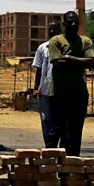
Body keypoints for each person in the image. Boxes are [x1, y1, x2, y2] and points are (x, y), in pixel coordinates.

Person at [47, 10, 94, 156]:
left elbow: (91, 62)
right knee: (56, 129)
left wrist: (68, 57)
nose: (73, 24)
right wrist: (80, 60)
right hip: (59, 93)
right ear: (64, 24)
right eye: (70, 22)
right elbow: (57, 62)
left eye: (76, 21)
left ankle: (72, 160)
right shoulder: (56, 40)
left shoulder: (85, 41)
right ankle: (50, 159)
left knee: (75, 130)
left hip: (79, 94)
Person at [32, 18, 62, 147]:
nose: (52, 31)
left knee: (59, 121)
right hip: (45, 91)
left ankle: (56, 147)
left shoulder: (64, 47)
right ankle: (49, 147)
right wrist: (35, 88)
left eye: (55, 29)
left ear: (59, 30)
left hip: (61, 91)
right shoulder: (42, 48)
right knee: (46, 120)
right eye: (50, 29)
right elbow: (39, 69)